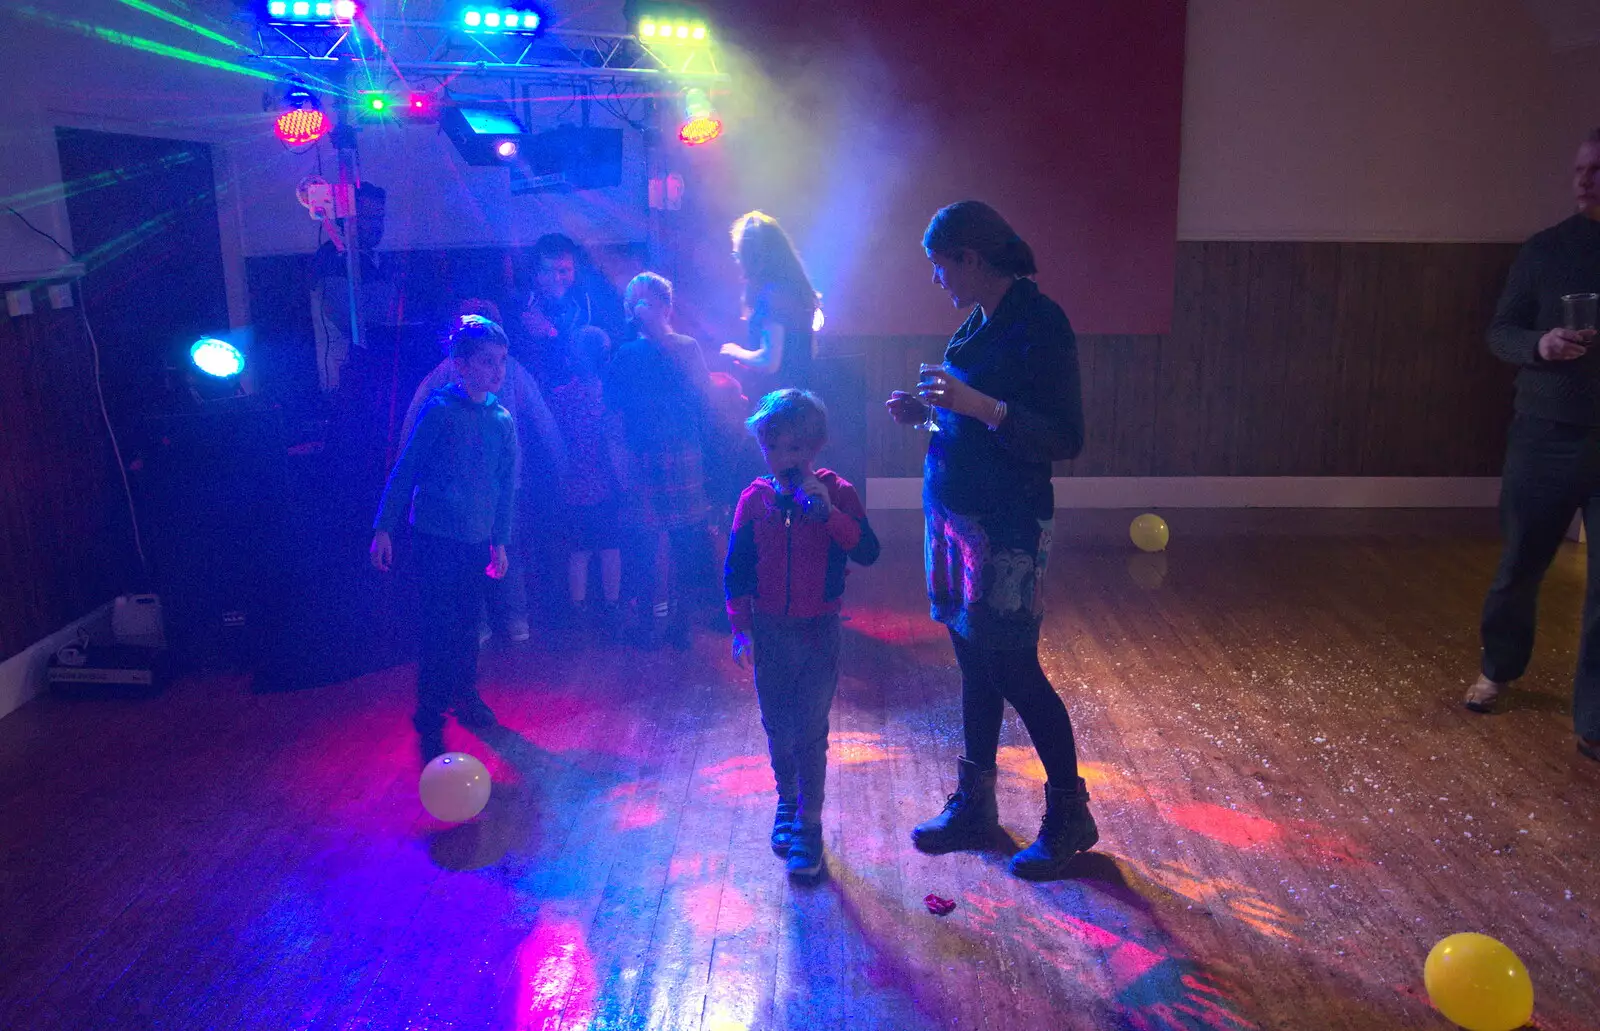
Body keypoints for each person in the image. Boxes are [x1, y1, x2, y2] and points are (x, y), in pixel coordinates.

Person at [885, 200, 1095, 880]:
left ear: (971, 258)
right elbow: (972, 422)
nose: (938, 279)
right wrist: (931, 414)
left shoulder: (1041, 323)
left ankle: (1070, 812)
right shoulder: (978, 321)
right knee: (974, 662)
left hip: (1006, 522)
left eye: (941, 265)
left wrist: (979, 406)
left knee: (1012, 667)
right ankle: (974, 806)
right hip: (955, 513)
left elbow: (1064, 436)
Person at [1467, 128, 1600, 764]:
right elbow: (1501, 331)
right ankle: (1499, 667)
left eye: (1597, 170)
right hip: (1545, 431)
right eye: (1579, 168)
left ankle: (1595, 718)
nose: (1583, 180)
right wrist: (1540, 347)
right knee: (1521, 562)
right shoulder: (1546, 250)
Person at [725, 389, 880, 880]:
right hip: (769, 629)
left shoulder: (839, 491)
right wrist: (741, 629)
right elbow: (737, 568)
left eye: (796, 450)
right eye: (774, 449)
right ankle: (787, 801)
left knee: (811, 728)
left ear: (814, 449)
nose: (785, 460)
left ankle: (809, 824)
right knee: (777, 724)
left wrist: (829, 512)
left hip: (819, 628)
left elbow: (868, 551)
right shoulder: (755, 499)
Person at [371, 316, 518, 762]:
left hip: (475, 539)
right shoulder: (438, 411)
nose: (497, 371)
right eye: (487, 361)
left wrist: (500, 540)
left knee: (469, 621)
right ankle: (431, 704)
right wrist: (384, 526)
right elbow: (406, 468)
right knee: (438, 622)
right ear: (461, 364)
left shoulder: (501, 419)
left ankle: (465, 696)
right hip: (436, 536)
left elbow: (505, 485)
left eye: (502, 362)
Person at [399, 299, 565, 643]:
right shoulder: (512, 370)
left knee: (475, 554)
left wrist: (406, 470)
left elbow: (412, 418)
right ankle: (515, 620)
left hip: (461, 491)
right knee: (507, 549)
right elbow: (542, 418)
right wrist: (562, 464)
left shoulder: (445, 371)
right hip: (503, 483)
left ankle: (481, 626)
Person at [605, 272, 718, 649]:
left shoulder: (685, 347)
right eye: (634, 303)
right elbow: (615, 412)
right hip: (642, 455)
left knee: (686, 540)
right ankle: (646, 622)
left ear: (666, 308)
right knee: (643, 542)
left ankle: (681, 620)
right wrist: (621, 460)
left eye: (648, 302)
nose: (640, 309)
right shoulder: (625, 354)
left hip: (682, 450)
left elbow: (704, 400)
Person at [546, 324, 625, 640]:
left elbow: (554, 440)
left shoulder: (561, 396)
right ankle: (612, 610)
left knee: (579, 552)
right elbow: (618, 439)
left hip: (573, 482)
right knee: (610, 549)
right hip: (607, 482)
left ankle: (578, 615)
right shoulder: (610, 394)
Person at [310, 182, 397, 394]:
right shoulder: (332, 259)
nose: (377, 226)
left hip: (375, 372)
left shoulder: (376, 258)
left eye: (380, 218)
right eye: (369, 218)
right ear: (346, 219)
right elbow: (349, 319)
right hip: (343, 379)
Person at [720, 212, 820, 396]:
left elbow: (769, 361)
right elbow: (810, 352)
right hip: (800, 397)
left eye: (738, 254)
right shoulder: (797, 290)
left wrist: (735, 352)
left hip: (775, 400)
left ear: (751, 256)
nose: (737, 260)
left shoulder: (772, 295)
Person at [513, 233, 621, 388]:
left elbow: (603, 346)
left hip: (587, 387)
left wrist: (551, 332)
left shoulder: (589, 301)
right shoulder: (524, 305)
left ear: (575, 271)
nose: (556, 278)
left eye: (563, 271)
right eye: (547, 271)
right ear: (537, 273)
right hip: (538, 386)